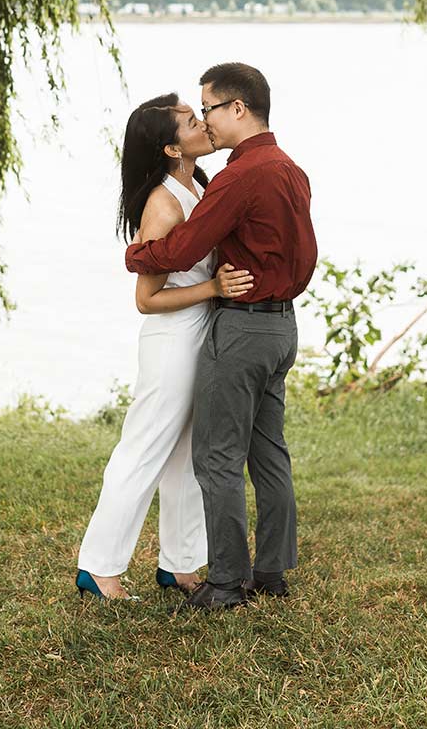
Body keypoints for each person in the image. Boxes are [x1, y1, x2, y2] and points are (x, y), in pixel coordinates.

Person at [125, 63, 318, 610]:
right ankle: (273, 572)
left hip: (243, 329)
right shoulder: (289, 169)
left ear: (238, 109)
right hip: (282, 327)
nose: (204, 120)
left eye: (207, 108)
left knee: (216, 456)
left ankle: (228, 582)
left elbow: (182, 249)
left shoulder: (241, 175)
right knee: (269, 454)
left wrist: (135, 254)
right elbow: (306, 256)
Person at [76, 93, 254, 600]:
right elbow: (147, 297)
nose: (205, 123)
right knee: (144, 449)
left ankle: (178, 565)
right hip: (173, 339)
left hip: (202, 335)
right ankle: (99, 566)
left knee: (188, 455)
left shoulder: (195, 183)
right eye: (193, 121)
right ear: (173, 149)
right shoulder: (163, 202)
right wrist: (214, 289)